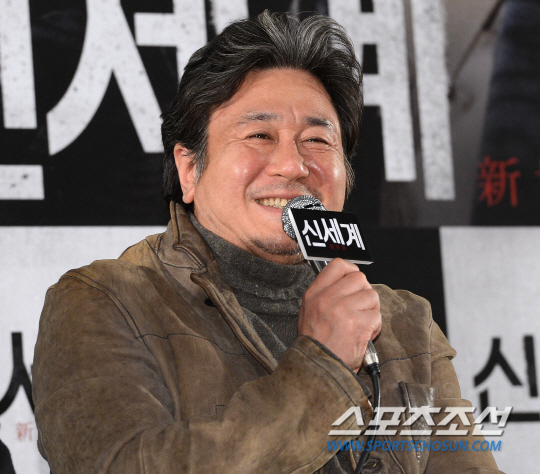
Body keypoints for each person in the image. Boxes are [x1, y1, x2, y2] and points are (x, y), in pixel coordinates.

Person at [33, 11, 503, 474]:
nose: (293, 165)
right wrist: (323, 367)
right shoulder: (104, 303)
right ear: (189, 169)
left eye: (317, 140)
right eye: (259, 134)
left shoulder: (405, 324)